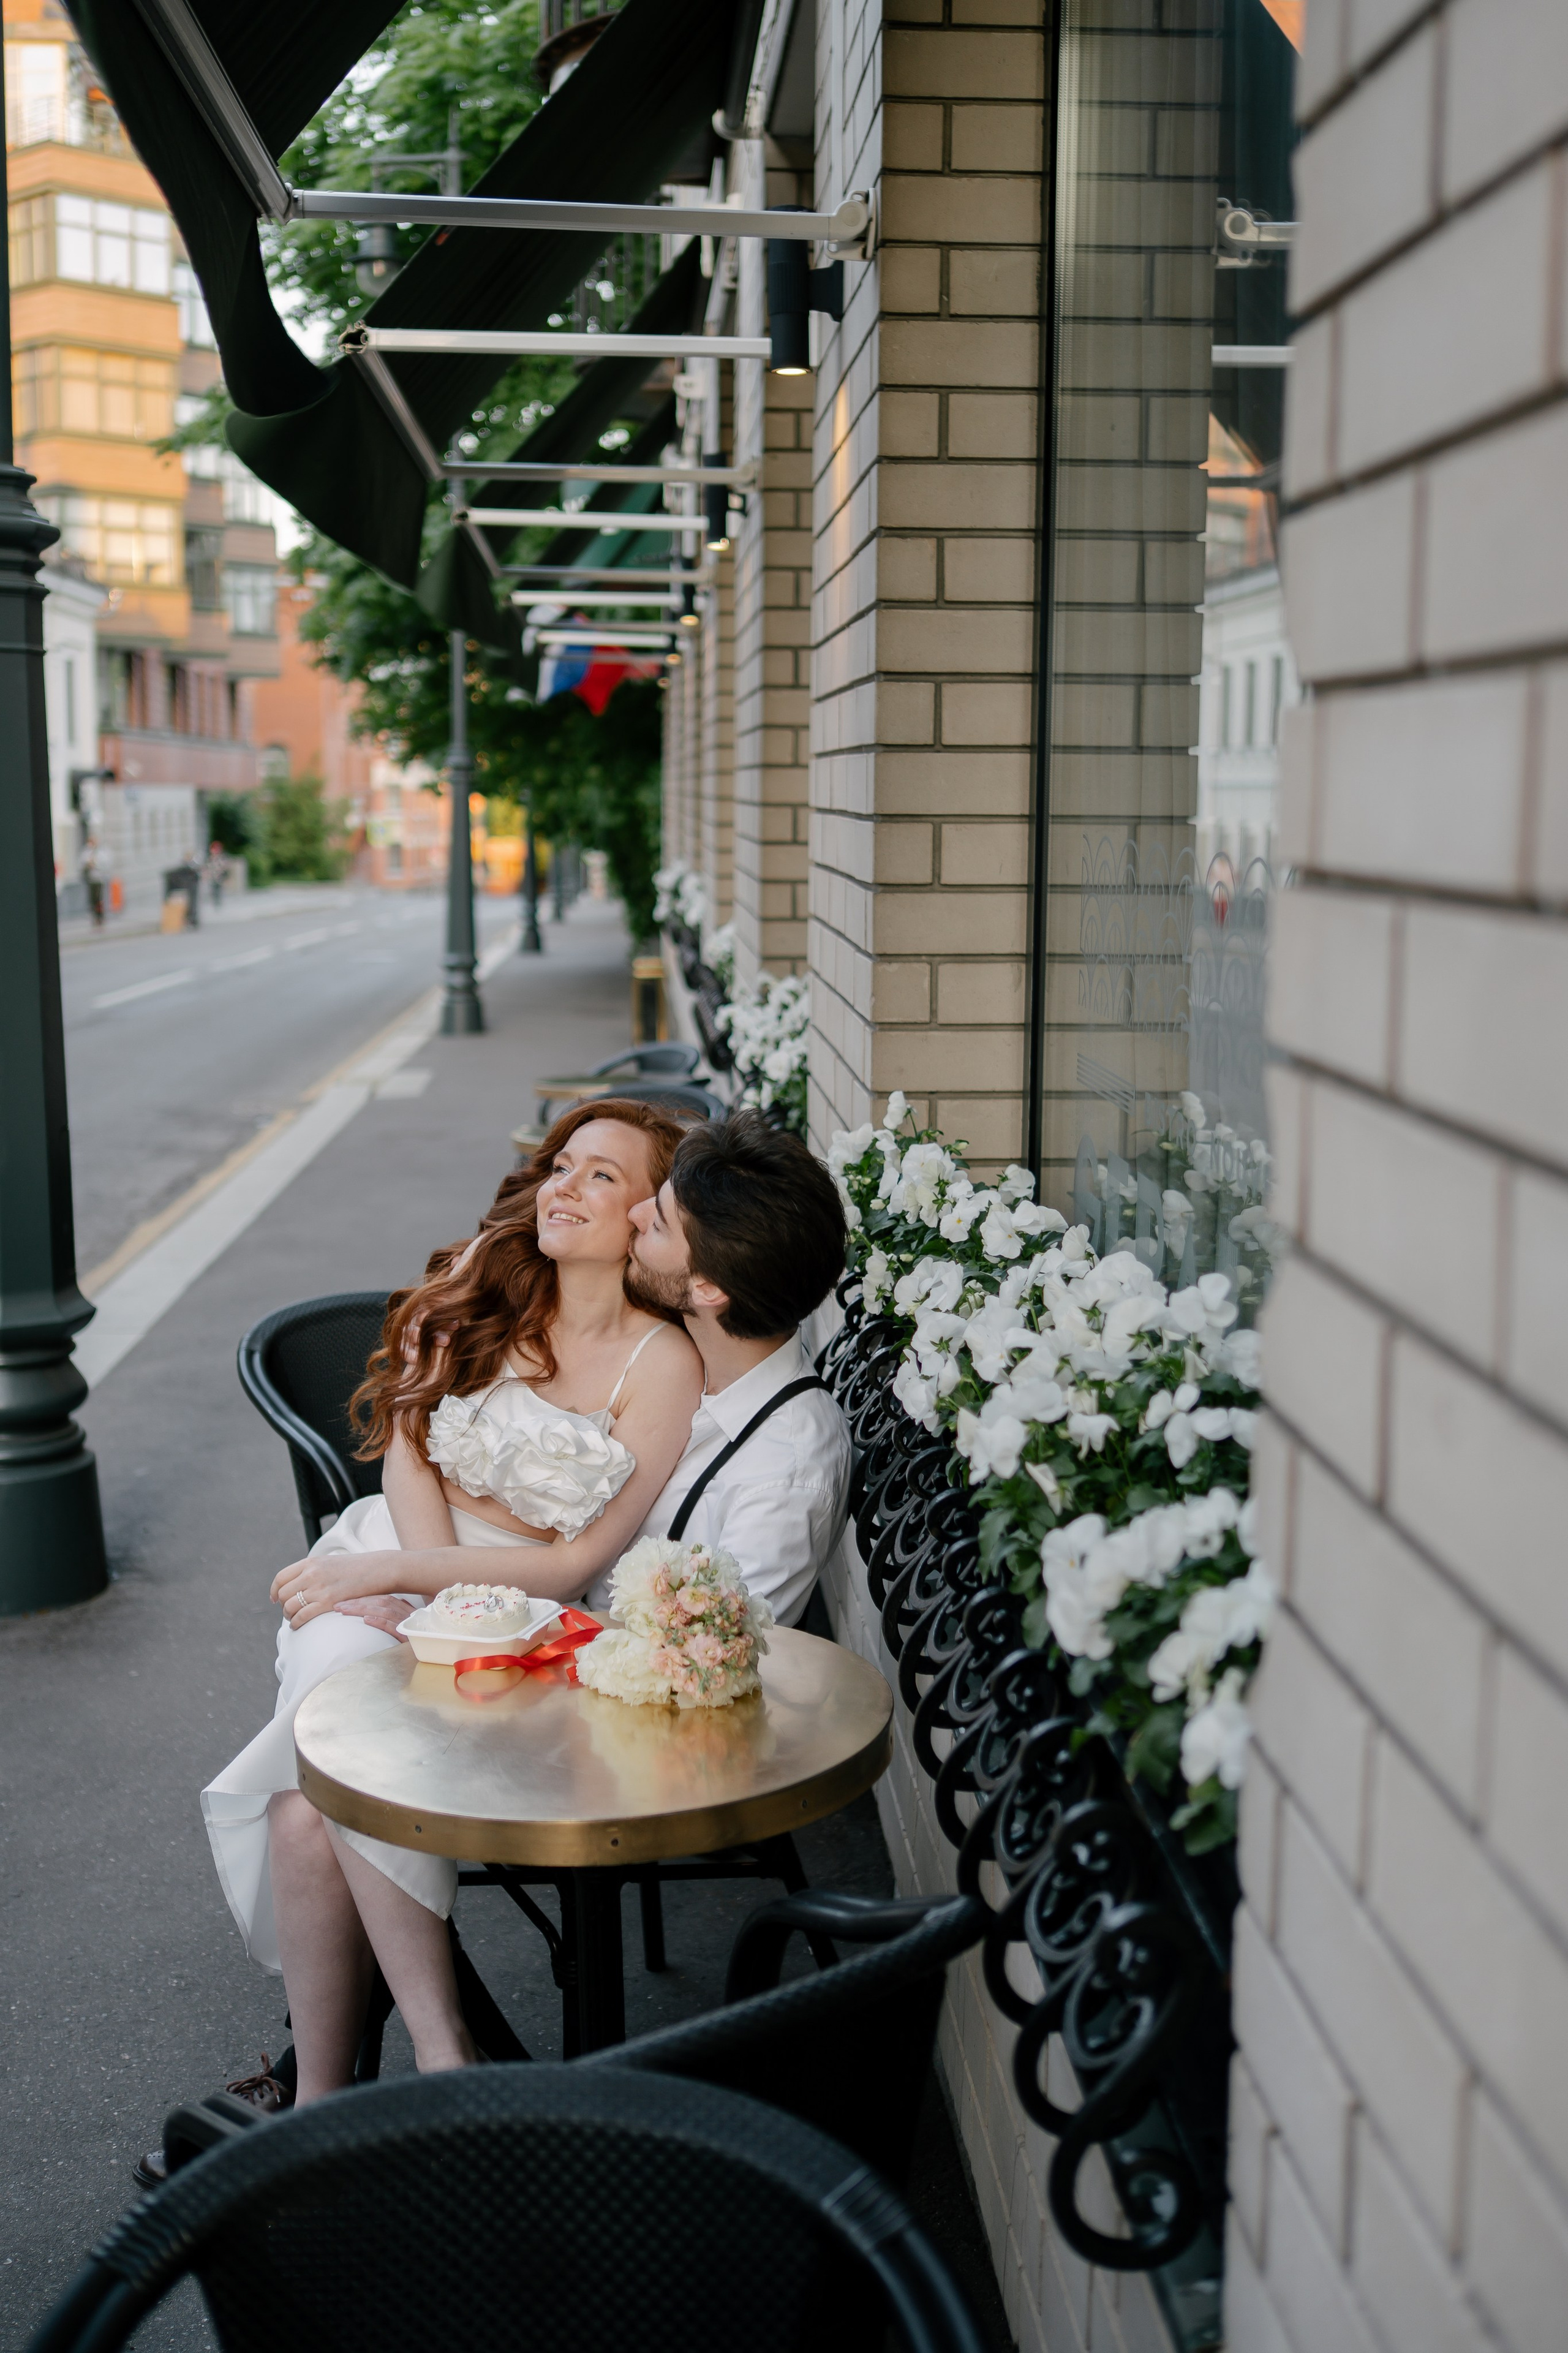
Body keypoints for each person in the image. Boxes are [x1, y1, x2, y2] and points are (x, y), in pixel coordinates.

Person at [200, 1100, 701, 2109]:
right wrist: (409, 1584)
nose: (562, 1185)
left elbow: (575, 1568)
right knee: (337, 1674)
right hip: (395, 1558)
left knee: (308, 1814)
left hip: (524, 1618)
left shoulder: (665, 1365)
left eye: (601, 1175)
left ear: (653, 1215)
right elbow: (409, 1448)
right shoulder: (488, 1286)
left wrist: (436, 1606)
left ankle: (337, 2095)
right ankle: (432, 2061)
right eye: (562, 1164)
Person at [613, 1108, 851, 1630]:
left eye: (656, 1223)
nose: (632, 1214)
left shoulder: (784, 1474)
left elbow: (709, 1661)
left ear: (708, 1289)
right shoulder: (683, 1356)